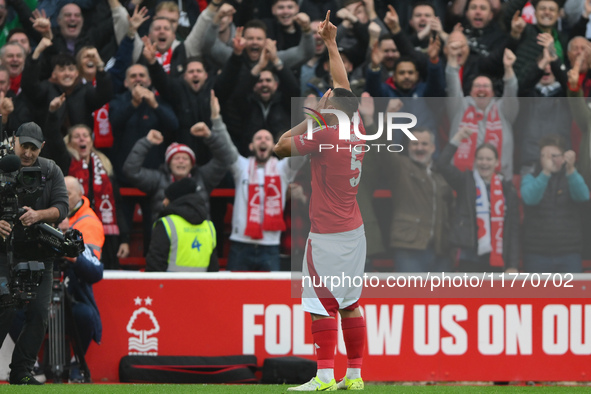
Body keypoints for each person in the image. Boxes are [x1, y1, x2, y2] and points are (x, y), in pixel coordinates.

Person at [274, 11, 366, 391]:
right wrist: (330, 43)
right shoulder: (357, 129)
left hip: (326, 234)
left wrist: (311, 117)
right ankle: (356, 376)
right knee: (349, 302)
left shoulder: (323, 135)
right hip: (355, 232)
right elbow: (343, 89)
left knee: (319, 305)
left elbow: (279, 146)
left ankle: (325, 376)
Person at [0, 122, 69, 385]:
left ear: (42, 147)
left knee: (39, 313)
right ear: (14, 141)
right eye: (23, 146)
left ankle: (21, 371)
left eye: (32, 148)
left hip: (39, 252)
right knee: (4, 310)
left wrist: (39, 215)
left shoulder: (51, 170)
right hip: (4, 251)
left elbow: (62, 207)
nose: (27, 153)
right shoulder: (2, 164)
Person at [123, 91, 236, 223]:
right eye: (176, 158)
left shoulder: (202, 177)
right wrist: (146, 142)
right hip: (167, 241)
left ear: (192, 164)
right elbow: (131, 171)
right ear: (169, 164)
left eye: (185, 158)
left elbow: (225, 159)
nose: (181, 161)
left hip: (198, 242)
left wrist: (209, 136)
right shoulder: (158, 179)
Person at [435, 128, 520, 273]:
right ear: (475, 161)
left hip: (496, 258)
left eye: (488, 159)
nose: (484, 163)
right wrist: (458, 138)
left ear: (496, 162)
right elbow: (442, 164)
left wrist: (512, 264)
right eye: (480, 159)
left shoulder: (507, 190)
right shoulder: (465, 181)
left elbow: (512, 230)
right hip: (468, 257)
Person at [227, 129, 305, 271]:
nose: (263, 141)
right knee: (235, 293)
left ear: (274, 146)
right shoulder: (241, 166)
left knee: (272, 294)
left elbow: (300, 153)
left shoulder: (283, 169)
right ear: (251, 146)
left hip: (270, 247)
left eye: (267, 138)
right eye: (258, 138)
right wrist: (216, 120)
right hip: (240, 245)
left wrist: (309, 124)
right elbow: (224, 147)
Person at [383, 128, 454, 272]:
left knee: (441, 296)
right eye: (415, 144)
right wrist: (386, 121)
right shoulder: (401, 166)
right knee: (410, 295)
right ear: (408, 147)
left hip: (440, 250)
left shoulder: (440, 173)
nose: (419, 148)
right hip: (410, 249)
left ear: (433, 148)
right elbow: (385, 151)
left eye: (424, 144)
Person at [521, 135, 590, 273]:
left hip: (569, 253)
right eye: (543, 156)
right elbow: (530, 198)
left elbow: (583, 196)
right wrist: (545, 172)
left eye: (553, 155)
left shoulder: (572, 177)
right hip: (536, 254)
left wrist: (571, 170)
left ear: (563, 157)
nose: (548, 160)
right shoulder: (531, 178)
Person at [446, 48, 518, 179]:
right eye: (477, 86)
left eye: (486, 86)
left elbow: (511, 90)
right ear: (471, 91)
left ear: (493, 93)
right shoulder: (459, 107)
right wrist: (451, 60)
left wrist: (508, 68)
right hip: (463, 182)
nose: (481, 89)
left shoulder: (504, 110)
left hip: (499, 181)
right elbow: (452, 87)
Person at [60, 176, 104, 382]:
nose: (62, 197)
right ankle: (30, 365)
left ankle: (76, 365)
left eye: (67, 193)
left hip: (70, 296)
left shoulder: (87, 224)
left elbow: (95, 271)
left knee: (85, 314)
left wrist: (73, 257)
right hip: (39, 294)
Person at [146, 177, 218, 272]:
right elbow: (213, 267)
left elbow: (155, 263)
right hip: (201, 285)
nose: (164, 202)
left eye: (167, 198)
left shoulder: (167, 224)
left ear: (175, 200)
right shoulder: (209, 226)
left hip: (171, 285)